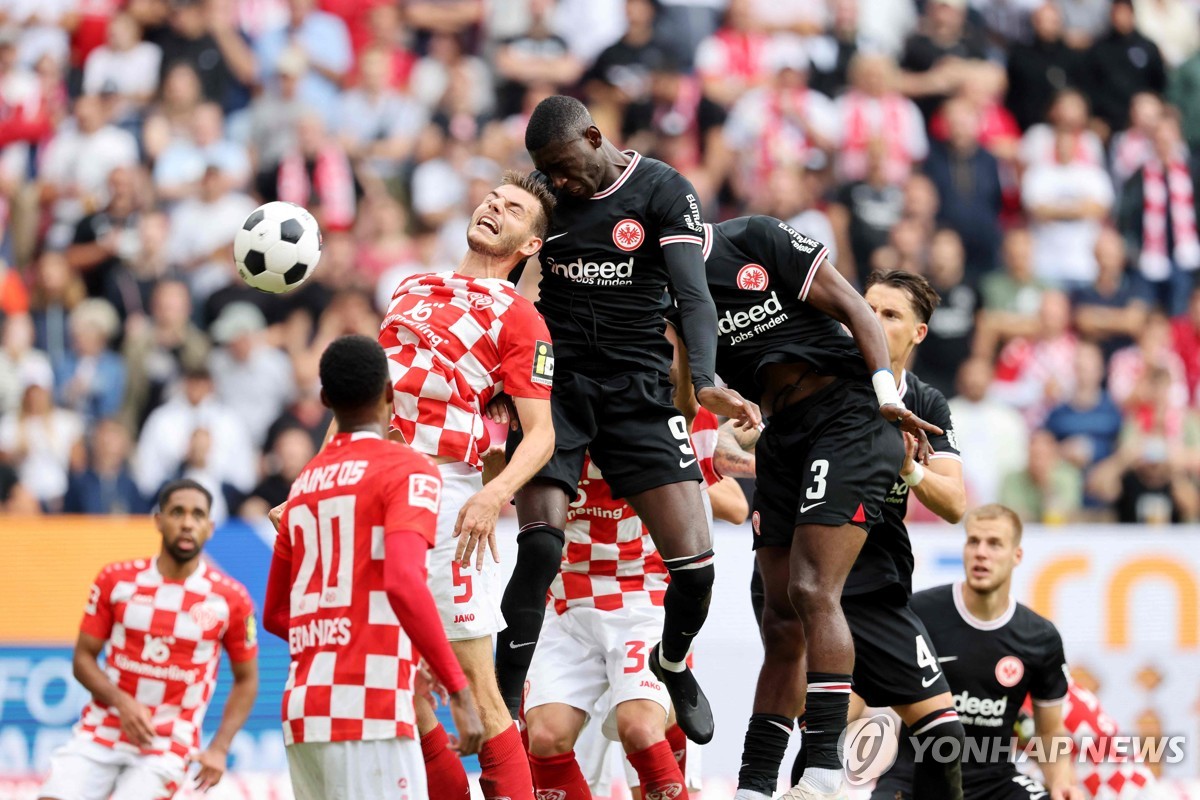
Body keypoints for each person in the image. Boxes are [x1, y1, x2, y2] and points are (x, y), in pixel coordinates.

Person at [272, 172, 558, 800]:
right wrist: (307, 487)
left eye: (513, 210)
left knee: (479, 694)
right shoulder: (410, 285)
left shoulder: (520, 315)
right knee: (408, 694)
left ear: (530, 245)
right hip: (365, 482)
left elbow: (541, 435)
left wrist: (492, 493)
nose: (493, 208)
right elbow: (361, 402)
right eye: (492, 198)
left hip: (440, 494)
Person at [500, 95, 759, 746]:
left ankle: (671, 663)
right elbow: (500, 281)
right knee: (538, 545)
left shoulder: (663, 189)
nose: (559, 183)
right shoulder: (545, 197)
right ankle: (503, 693)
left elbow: (694, 295)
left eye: (563, 166)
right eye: (547, 173)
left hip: (638, 391)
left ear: (594, 135)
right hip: (557, 387)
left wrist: (706, 380)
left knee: (696, 572)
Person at [694, 217, 940, 800]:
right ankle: (754, 784)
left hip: (846, 410)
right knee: (779, 621)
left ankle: (825, 768)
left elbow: (854, 306)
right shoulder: (663, 292)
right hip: (781, 434)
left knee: (810, 591)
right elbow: (685, 385)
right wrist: (713, 435)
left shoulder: (751, 238)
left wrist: (886, 397)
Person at [746, 269, 967, 800]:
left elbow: (956, 504)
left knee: (946, 739)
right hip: (812, 578)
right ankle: (764, 787)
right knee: (826, 726)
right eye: (866, 308)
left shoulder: (925, 402)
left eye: (890, 314)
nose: (870, 319)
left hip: (876, 588)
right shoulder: (820, 377)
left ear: (919, 333)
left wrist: (908, 468)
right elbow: (753, 445)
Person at [263, 335, 483, 800]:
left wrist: (339, 637)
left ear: (325, 400)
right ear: (389, 392)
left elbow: (276, 615)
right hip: (370, 714)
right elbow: (403, 580)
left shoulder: (303, 486)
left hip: (304, 713)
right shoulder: (407, 469)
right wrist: (458, 688)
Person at [524, 403, 750, 800]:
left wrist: (674, 482)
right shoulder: (544, 417)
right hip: (566, 603)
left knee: (640, 729)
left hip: (644, 596)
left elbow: (736, 506)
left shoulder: (661, 410)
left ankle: (672, 730)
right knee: (545, 735)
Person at [38, 479, 259, 799]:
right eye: (177, 512)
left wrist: (219, 748)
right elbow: (83, 659)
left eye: (197, 515)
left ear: (210, 527)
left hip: (168, 746)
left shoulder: (231, 598)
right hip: (100, 732)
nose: (187, 523)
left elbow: (247, 679)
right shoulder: (117, 580)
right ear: (158, 520)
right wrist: (122, 702)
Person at [872, 504, 1083, 800]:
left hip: (995, 784)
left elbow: (1050, 733)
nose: (981, 552)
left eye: (994, 544)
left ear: (1016, 556)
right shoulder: (920, 613)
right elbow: (862, 687)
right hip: (914, 776)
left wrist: (1062, 782)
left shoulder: (1040, 637)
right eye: (973, 541)